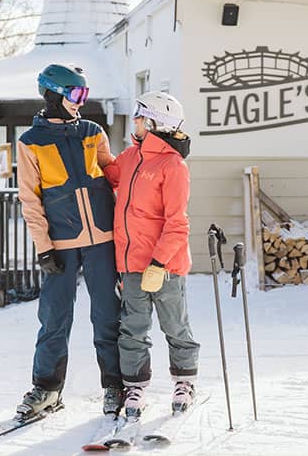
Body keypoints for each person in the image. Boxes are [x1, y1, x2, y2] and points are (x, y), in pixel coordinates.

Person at [15, 63, 124, 418]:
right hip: (60, 245)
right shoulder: (30, 142)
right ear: (54, 94)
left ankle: (115, 385)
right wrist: (44, 247)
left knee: (108, 315)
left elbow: (116, 176)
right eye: (76, 94)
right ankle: (47, 389)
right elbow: (30, 200)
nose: (81, 102)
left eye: (84, 95)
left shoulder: (93, 132)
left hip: (102, 240)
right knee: (54, 318)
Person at [103, 91, 200, 419]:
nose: (135, 120)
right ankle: (135, 388)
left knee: (175, 325)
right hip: (130, 264)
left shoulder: (173, 165)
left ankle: (185, 382)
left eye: (140, 115)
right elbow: (106, 176)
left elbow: (178, 223)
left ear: (157, 122)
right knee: (133, 328)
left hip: (165, 266)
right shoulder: (131, 157)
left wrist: (159, 263)